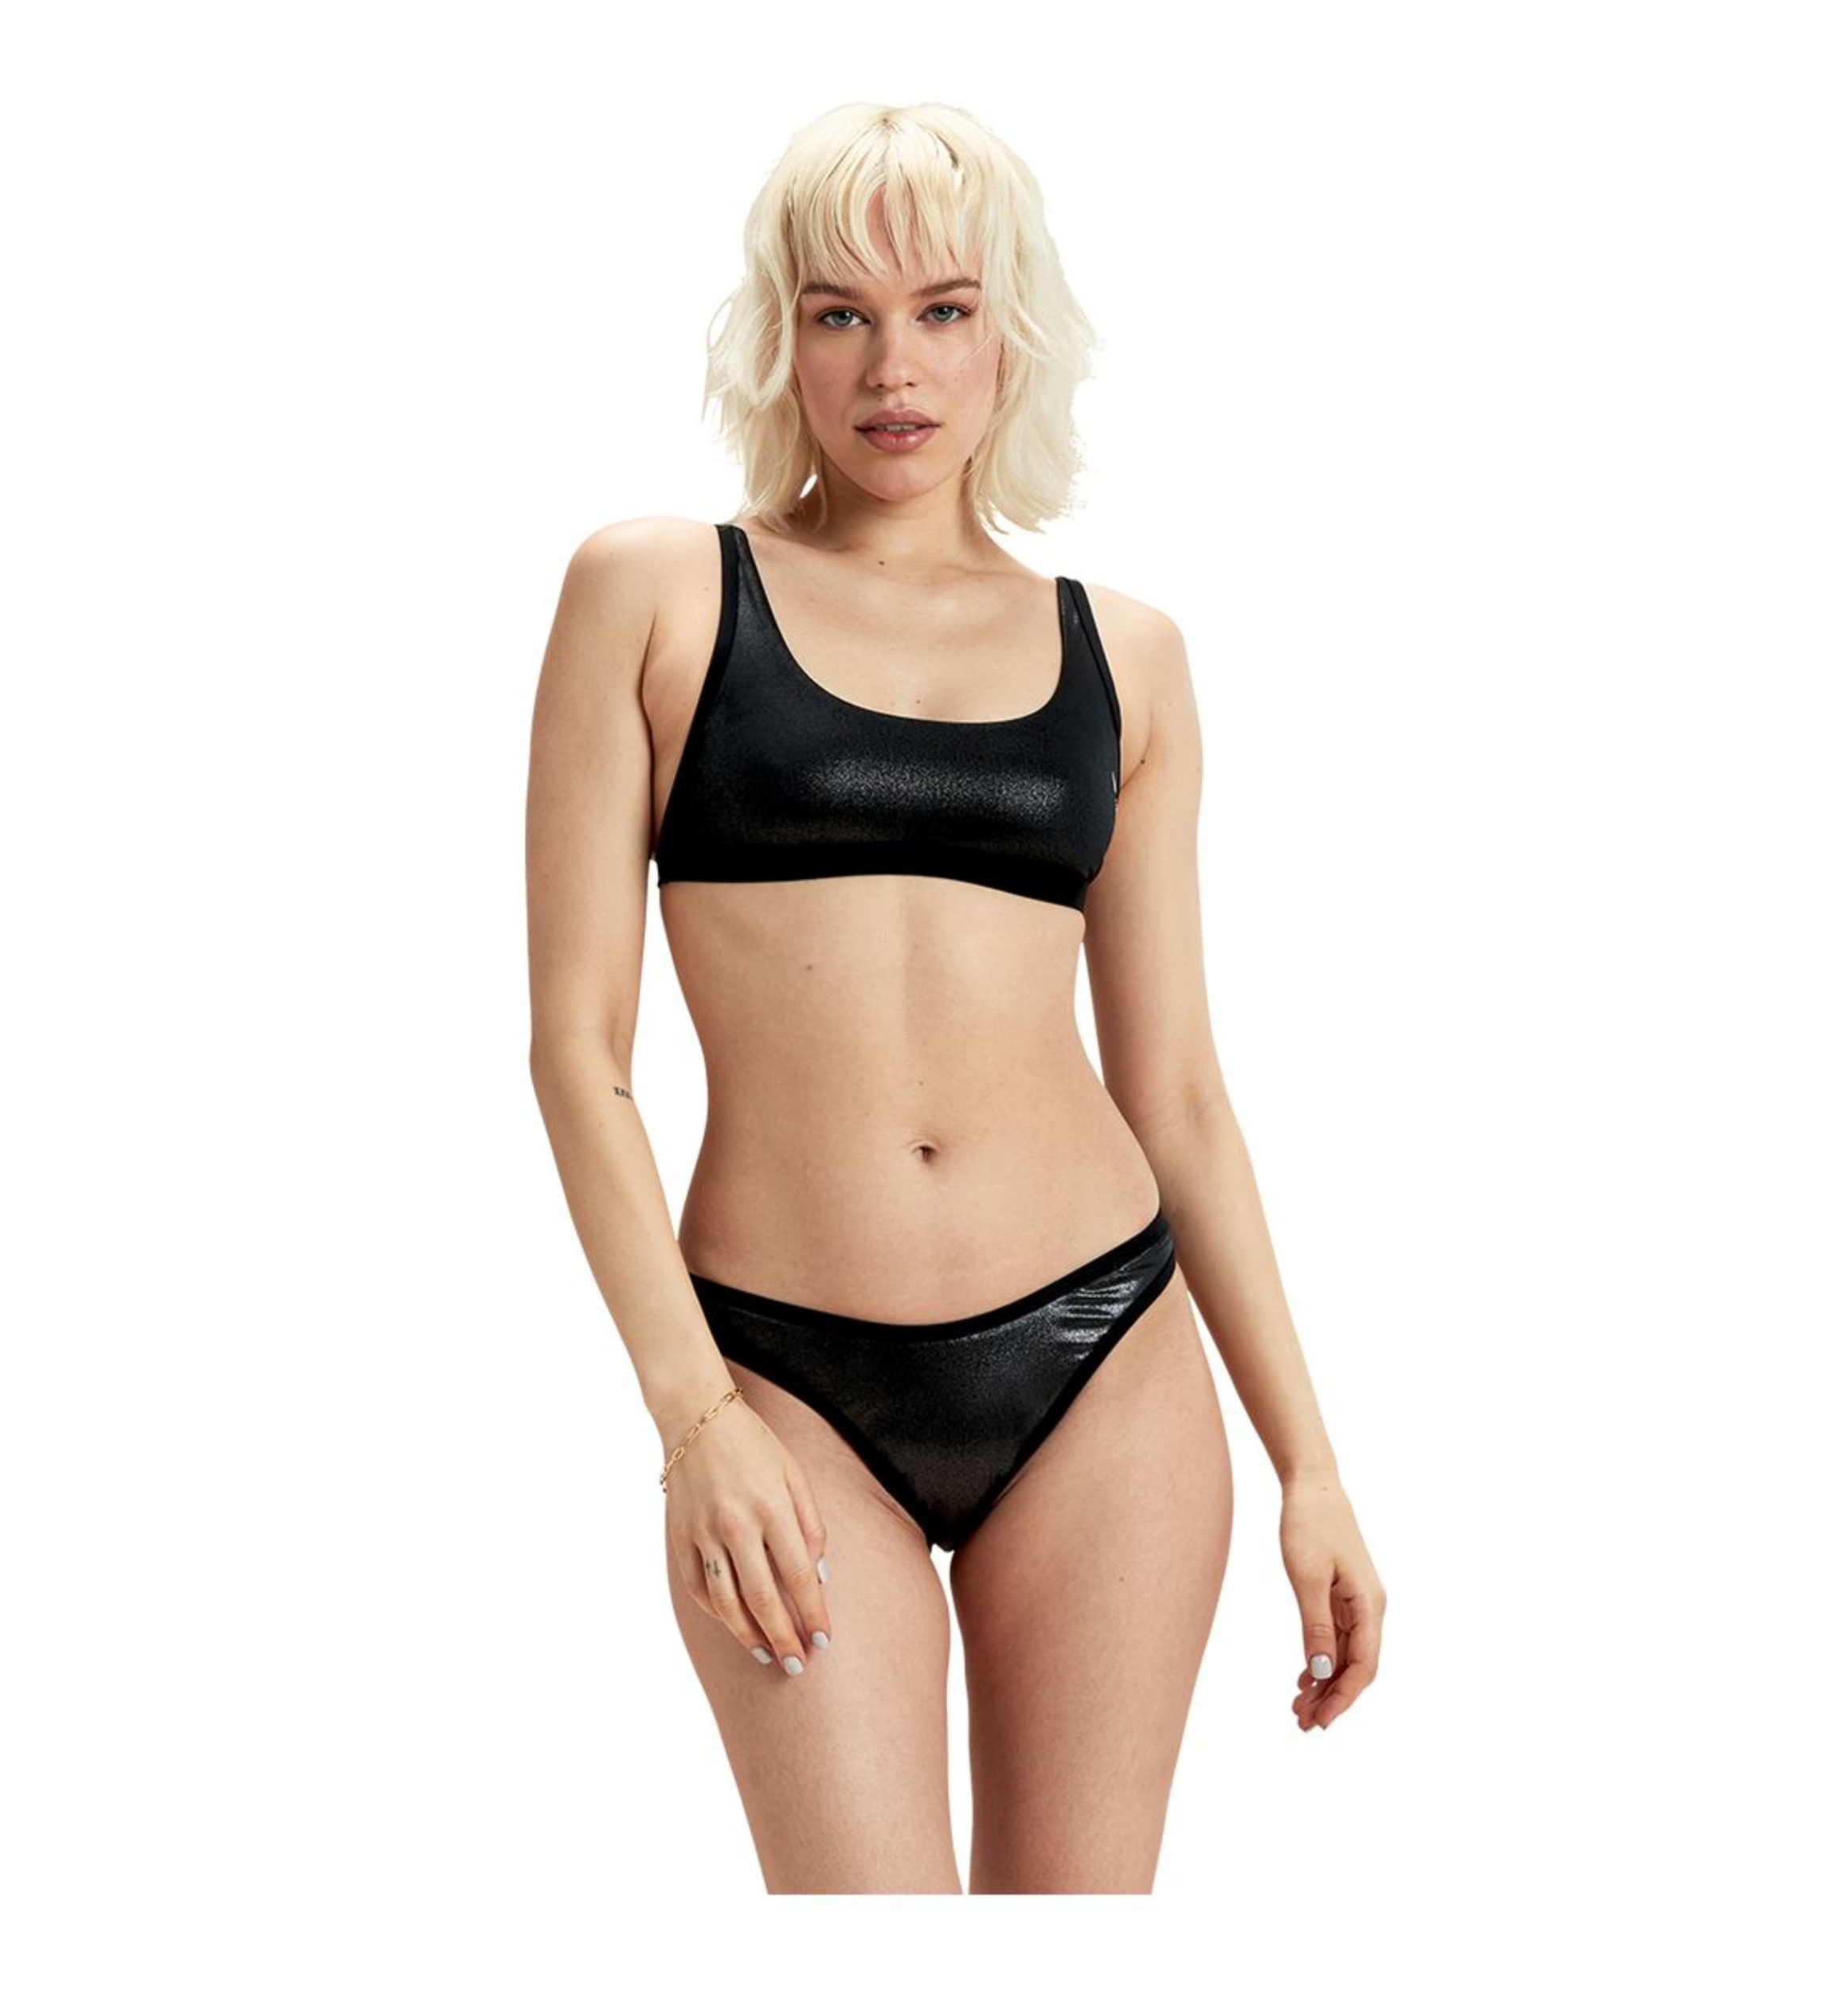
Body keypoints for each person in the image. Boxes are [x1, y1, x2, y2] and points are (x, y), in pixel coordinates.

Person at [525, 100, 1385, 1895]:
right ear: (782, 339)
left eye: (942, 310)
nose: (892, 366)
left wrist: (1308, 1459)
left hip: (1105, 1360)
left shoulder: (1125, 655)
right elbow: (577, 1053)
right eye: (838, 313)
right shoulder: (657, 592)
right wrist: (691, 1418)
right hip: (780, 1373)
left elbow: (1179, 1093)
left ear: (1013, 334)